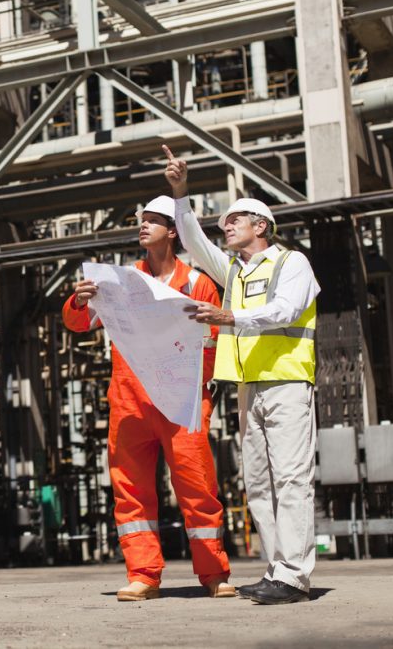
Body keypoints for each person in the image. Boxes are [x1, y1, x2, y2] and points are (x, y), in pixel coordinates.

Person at [163, 144, 320, 605]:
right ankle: (278, 570)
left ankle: (295, 576)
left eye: (235, 220)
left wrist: (232, 319)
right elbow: (192, 240)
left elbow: (286, 310)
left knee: (291, 479)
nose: (226, 226)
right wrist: (180, 192)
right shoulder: (233, 271)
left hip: (288, 382)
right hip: (249, 389)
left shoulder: (292, 263)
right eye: (224, 223)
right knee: (258, 482)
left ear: (260, 225)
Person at [63, 195, 234, 602]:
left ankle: (214, 574)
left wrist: (201, 391)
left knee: (197, 487)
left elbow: (213, 339)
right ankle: (143, 575)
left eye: (153, 220)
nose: (142, 225)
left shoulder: (197, 283)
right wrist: (80, 299)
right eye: (141, 220)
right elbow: (80, 323)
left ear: (173, 232)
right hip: (130, 399)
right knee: (131, 490)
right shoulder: (119, 281)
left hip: (180, 399)